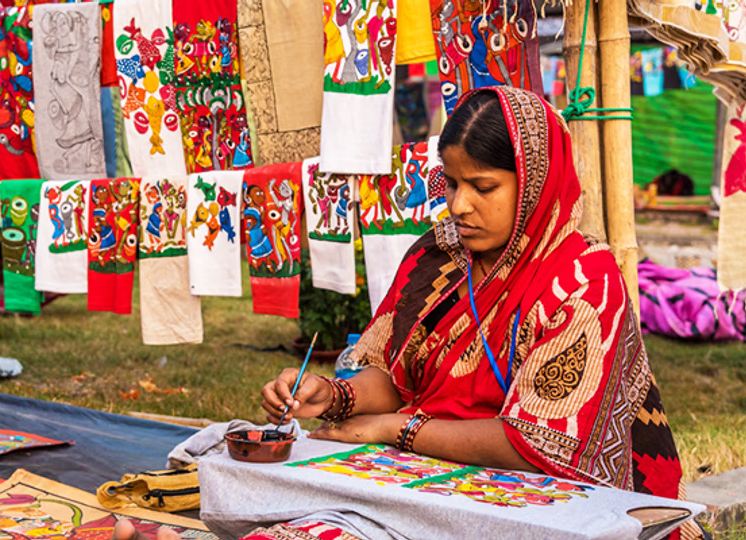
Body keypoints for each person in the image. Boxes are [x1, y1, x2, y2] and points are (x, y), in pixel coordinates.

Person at [255, 87, 701, 540]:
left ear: (534, 182)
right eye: (451, 182)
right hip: (420, 484)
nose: (459, 205)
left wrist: (397, 429)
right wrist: (333, 395)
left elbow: (539, 445)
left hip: (544, 507)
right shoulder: (437, 257)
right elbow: (396, 377)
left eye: (483, 187)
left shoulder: (583, 281)